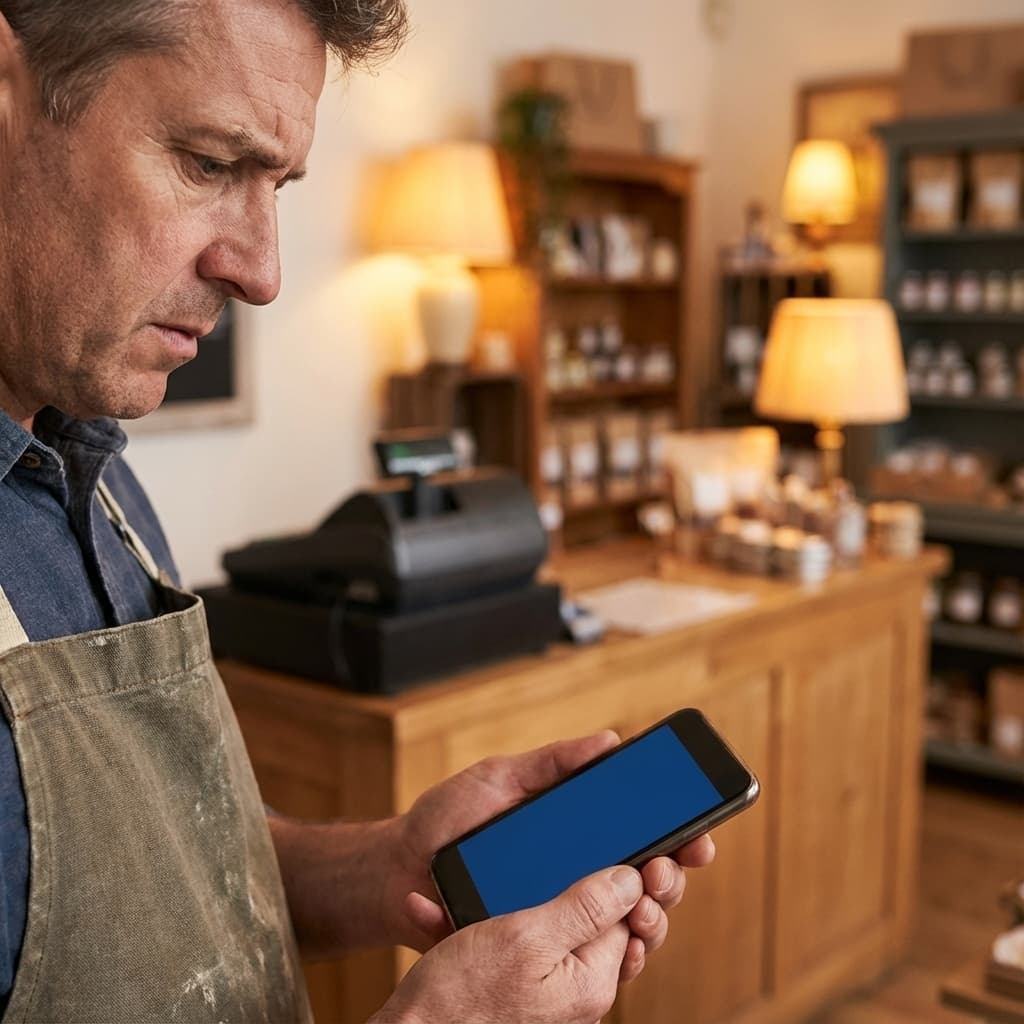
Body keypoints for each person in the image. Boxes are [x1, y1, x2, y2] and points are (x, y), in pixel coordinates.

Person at [0, 1, 715, 1020]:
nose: (261, 270)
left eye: (277, 184)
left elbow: (177, 882)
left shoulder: (94, 473)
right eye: (207, 162)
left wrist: (389, 864)